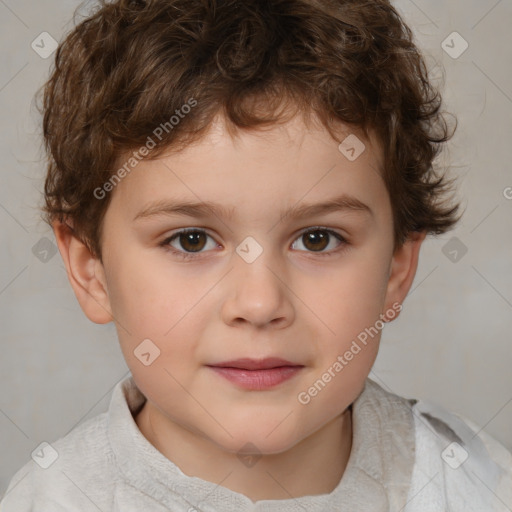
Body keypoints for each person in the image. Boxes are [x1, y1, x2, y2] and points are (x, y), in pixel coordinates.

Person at [1, 0, 511, 510]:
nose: (260, 303)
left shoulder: (477, 488)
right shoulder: (49, 499)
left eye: (317, 239)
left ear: (397, 268)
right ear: (92, 271)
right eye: (191, 240)